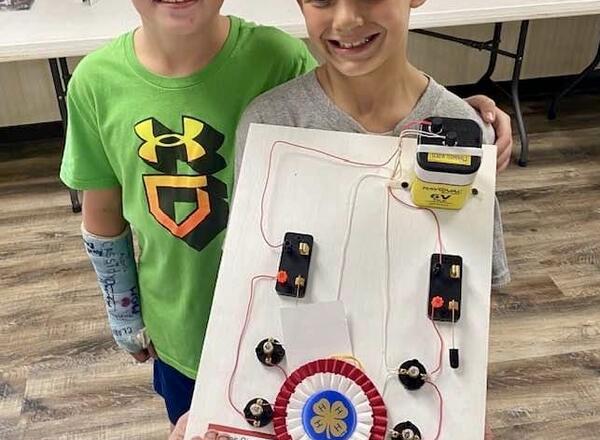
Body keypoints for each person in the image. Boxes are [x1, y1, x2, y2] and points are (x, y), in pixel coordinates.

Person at [60, 0, 510, 431]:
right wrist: (124, 313)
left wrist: (464, 120)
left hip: (365, 355)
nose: (347, 18)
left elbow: (359, 92)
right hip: (199, 332)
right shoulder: (104, 83)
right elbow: (103, 215)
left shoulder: (279, 59)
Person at [235, 0, 511, 288]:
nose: (345, 20)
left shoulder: (464, 132)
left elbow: (474, 285)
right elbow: (249, 269)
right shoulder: (270, 123)